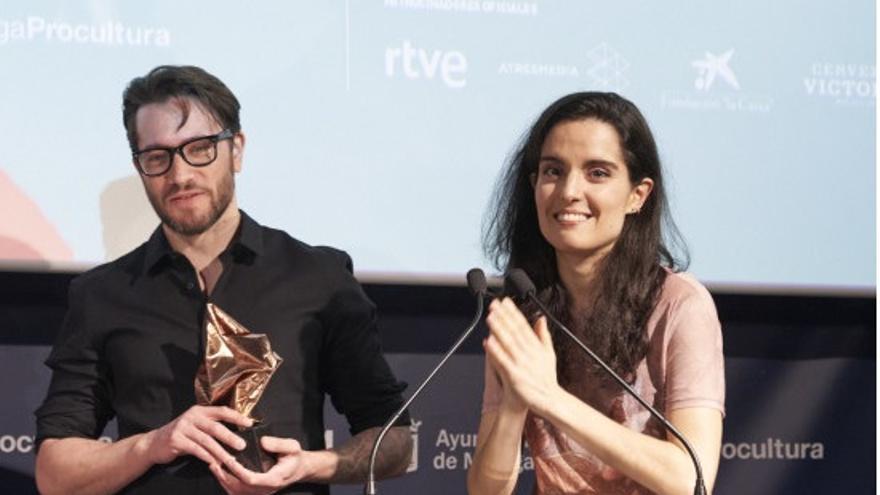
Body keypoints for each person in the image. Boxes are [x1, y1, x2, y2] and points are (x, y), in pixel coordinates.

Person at [34, 65, 413, 495]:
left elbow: (396, 443)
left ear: (237, 150)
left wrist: (310, 465)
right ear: (140, 167)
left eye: (199, 148)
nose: (179, 175)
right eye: (157, 157)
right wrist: (152, 445)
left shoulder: (318, 278)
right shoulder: (101, 294)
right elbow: (54, 474)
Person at [467, 92, 724, 495]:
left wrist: (550, 398)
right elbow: (486, 491)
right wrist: (515, 406)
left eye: (597, 173)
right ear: (534, 185)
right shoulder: (522, 309)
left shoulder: (680, 305)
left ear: (637, 195)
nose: (569, 191)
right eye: (553, 171)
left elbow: (691, 481)